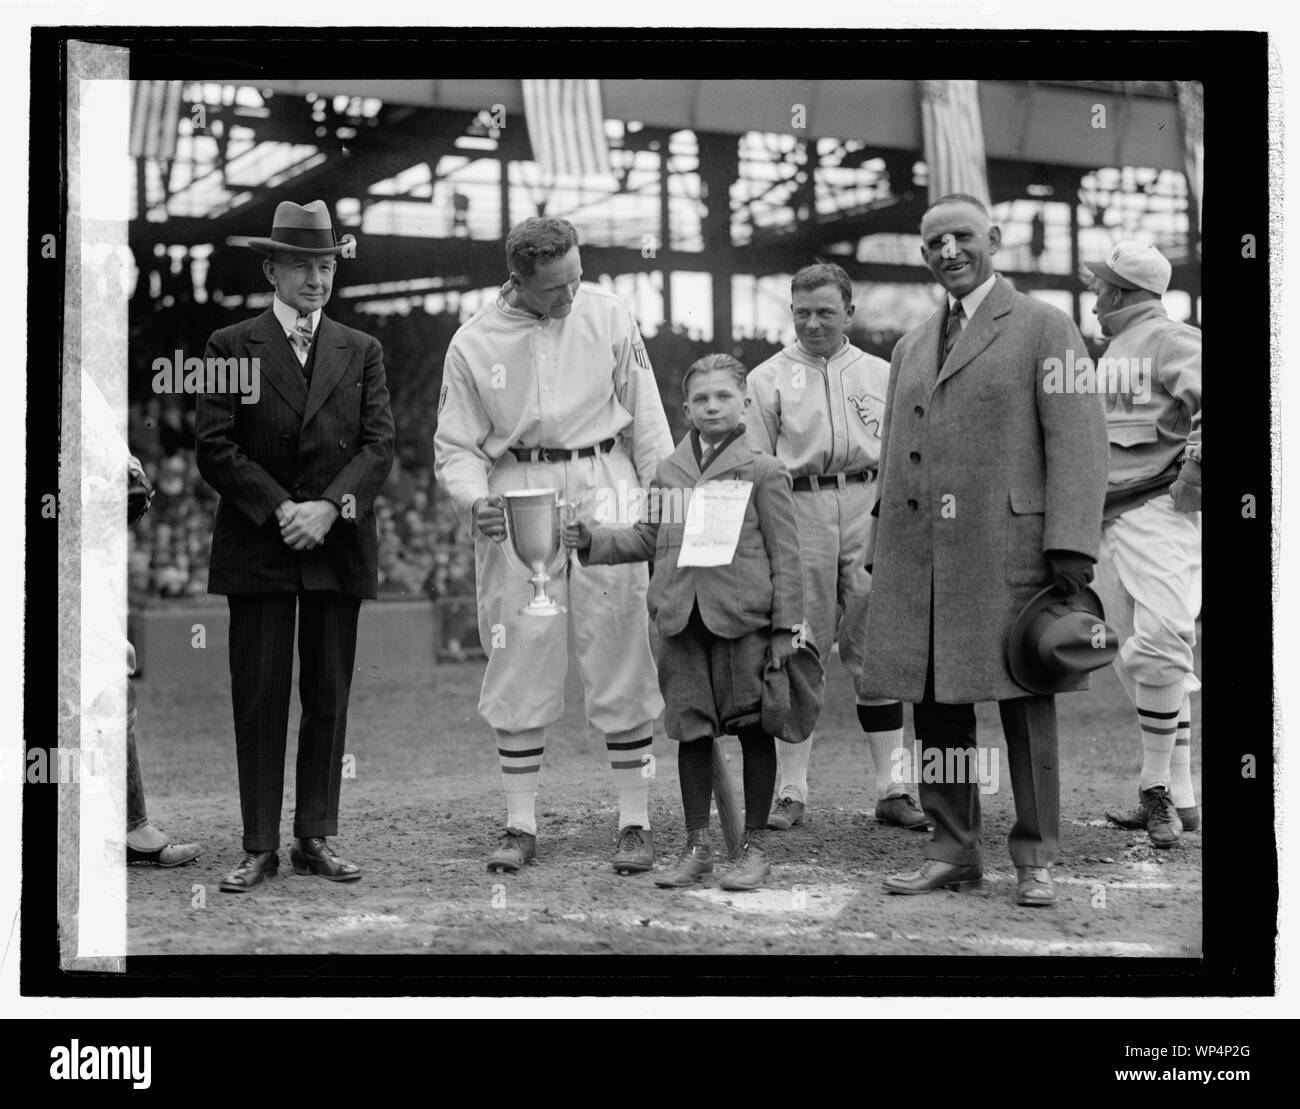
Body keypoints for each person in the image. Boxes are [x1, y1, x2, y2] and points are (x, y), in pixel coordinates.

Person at [863, 194, 1108, 907]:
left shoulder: (1044, 326)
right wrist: (886, 546)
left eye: (961, 236)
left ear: (994, 239)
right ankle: (951, 847)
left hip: (1012, 553)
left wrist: (1070, 543)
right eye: (934, 242)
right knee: (936, 707)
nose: (948, 252)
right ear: (922, 254)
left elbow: (1078, 440)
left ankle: (1036, 858)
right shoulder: (911, 343)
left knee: (1026, 705)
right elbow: (892, 458)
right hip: (924, 559)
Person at [433, 216, 674, 875]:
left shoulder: (610, 315)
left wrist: (665, 502)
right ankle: (519, 822)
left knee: (623, 638)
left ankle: (634, 819)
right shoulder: (474, 341)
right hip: (520, 485)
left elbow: (647, 420)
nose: (572, 294)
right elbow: (456, 445)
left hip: (606, 475)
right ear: (519, 280)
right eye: (557, 287)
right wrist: (473, 498)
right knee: (520, 647)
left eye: (577, 276)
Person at [195, 200, 395, 893]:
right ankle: (259, 844)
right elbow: (213, 446)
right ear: (272, 268)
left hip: (335, 542)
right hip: (261, 544)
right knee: (260, 698)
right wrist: (284, 508)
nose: (317, 278)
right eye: (304, 265)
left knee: (329, 696)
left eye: (327, 264)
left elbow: (380, 447)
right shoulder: (227, 345)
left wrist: (327, 508)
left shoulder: (362, 349)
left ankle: (316, 834)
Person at [564, 354, 807, 890]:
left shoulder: (764, 471)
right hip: (680, 620)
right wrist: (592, 540)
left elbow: (788, 557)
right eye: (701, 399)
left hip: (743, 621)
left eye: (723, 396)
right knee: (691, 732)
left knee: (752, 728)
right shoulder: (669, 472)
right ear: (686, 408)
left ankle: (753, 848)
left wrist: (787, 629)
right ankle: (698, 845)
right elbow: (647, 540)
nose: (712, 407)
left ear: (745, 402)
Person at [746, 263, 926, 833]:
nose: (813, 323)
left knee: (878, 647)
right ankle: (791, 788)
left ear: (850, 311)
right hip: (798, 505)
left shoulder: (881, 371)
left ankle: (893, 787)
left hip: (870, 502)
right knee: (799, 643)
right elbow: (754, 466)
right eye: (802, 312)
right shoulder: (766, 378)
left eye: (826, 311)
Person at [1083, 242, 1202, 848]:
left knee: (1159, 641)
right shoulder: (1112, 350)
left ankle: (1154, 785)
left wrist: (1193, 481)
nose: (1095, 296)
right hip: (1113, 515)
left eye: (1103, 286)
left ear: (1124, 293)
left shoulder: (1170, 337)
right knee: (1141, 652)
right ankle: (1180, 794)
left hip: (1157, 507)